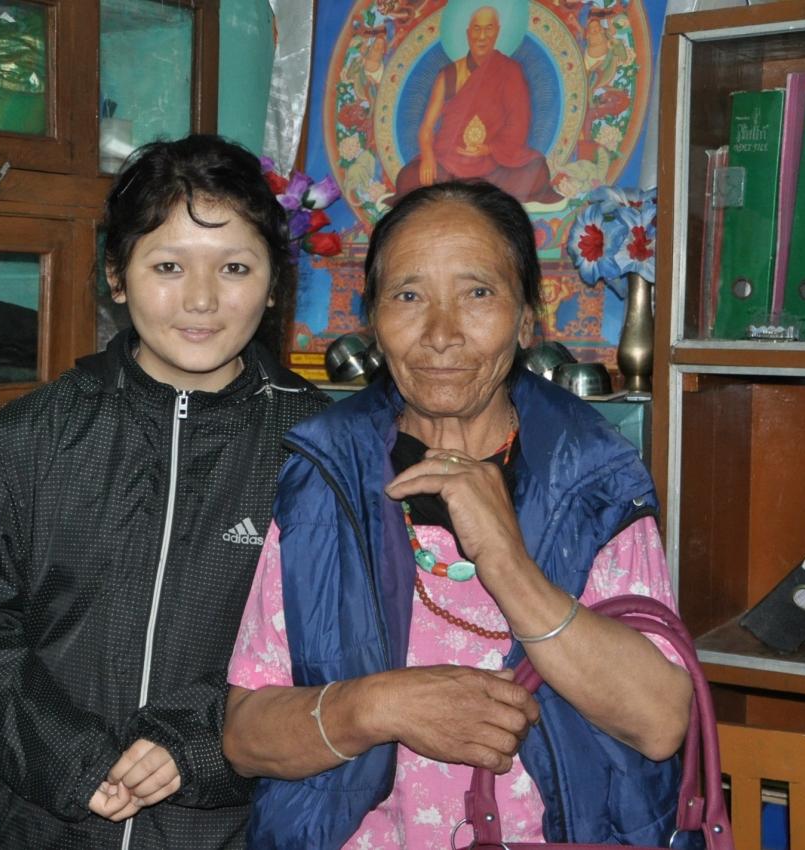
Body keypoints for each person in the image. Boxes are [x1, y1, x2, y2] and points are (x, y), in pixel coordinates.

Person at [221, 180, 692, 846]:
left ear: (526, 319)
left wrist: (505, 560)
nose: (441, 335)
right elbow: (245, 737)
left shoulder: (593, 474)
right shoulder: (325, 474)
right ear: (373, 321)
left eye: (477, 293)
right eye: (408, 296)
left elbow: (660, 722)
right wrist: (380, 705)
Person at [0, 134, 329, 849]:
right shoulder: (35, 434)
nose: (201, 299)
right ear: (117, 276)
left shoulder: (319, 450)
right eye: (168, 266)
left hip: (237, 829)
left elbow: (334, 650)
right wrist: (70, 757)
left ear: (272, 284)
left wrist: (201, 744)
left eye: (234, 267)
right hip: (53, 826)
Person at [392, 6, 561, 204]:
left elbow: (519, 123)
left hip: (494, 163)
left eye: (489, 29)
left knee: (537, 172)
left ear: (497, 32)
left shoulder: (510, 71)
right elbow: (427, 127)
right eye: (476, 29)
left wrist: (489, 149)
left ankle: (461, 193)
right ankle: (475, 192)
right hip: (449, 164)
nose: (482, 36)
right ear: (467, 33)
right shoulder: (448, 75)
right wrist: (428, 157)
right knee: (407, 179)